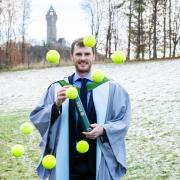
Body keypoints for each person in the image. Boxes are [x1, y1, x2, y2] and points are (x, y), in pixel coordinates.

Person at [30, 38, 131, 180]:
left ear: (93, 56)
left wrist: (104, 129)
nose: (83, 58)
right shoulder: (57, 88)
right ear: (72, 56)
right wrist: (56, 105)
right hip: (65, 158)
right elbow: (37, 116)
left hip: (98, 158)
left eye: (87, 54)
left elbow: (123, 119)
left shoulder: (111, 88)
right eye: (78, 54)